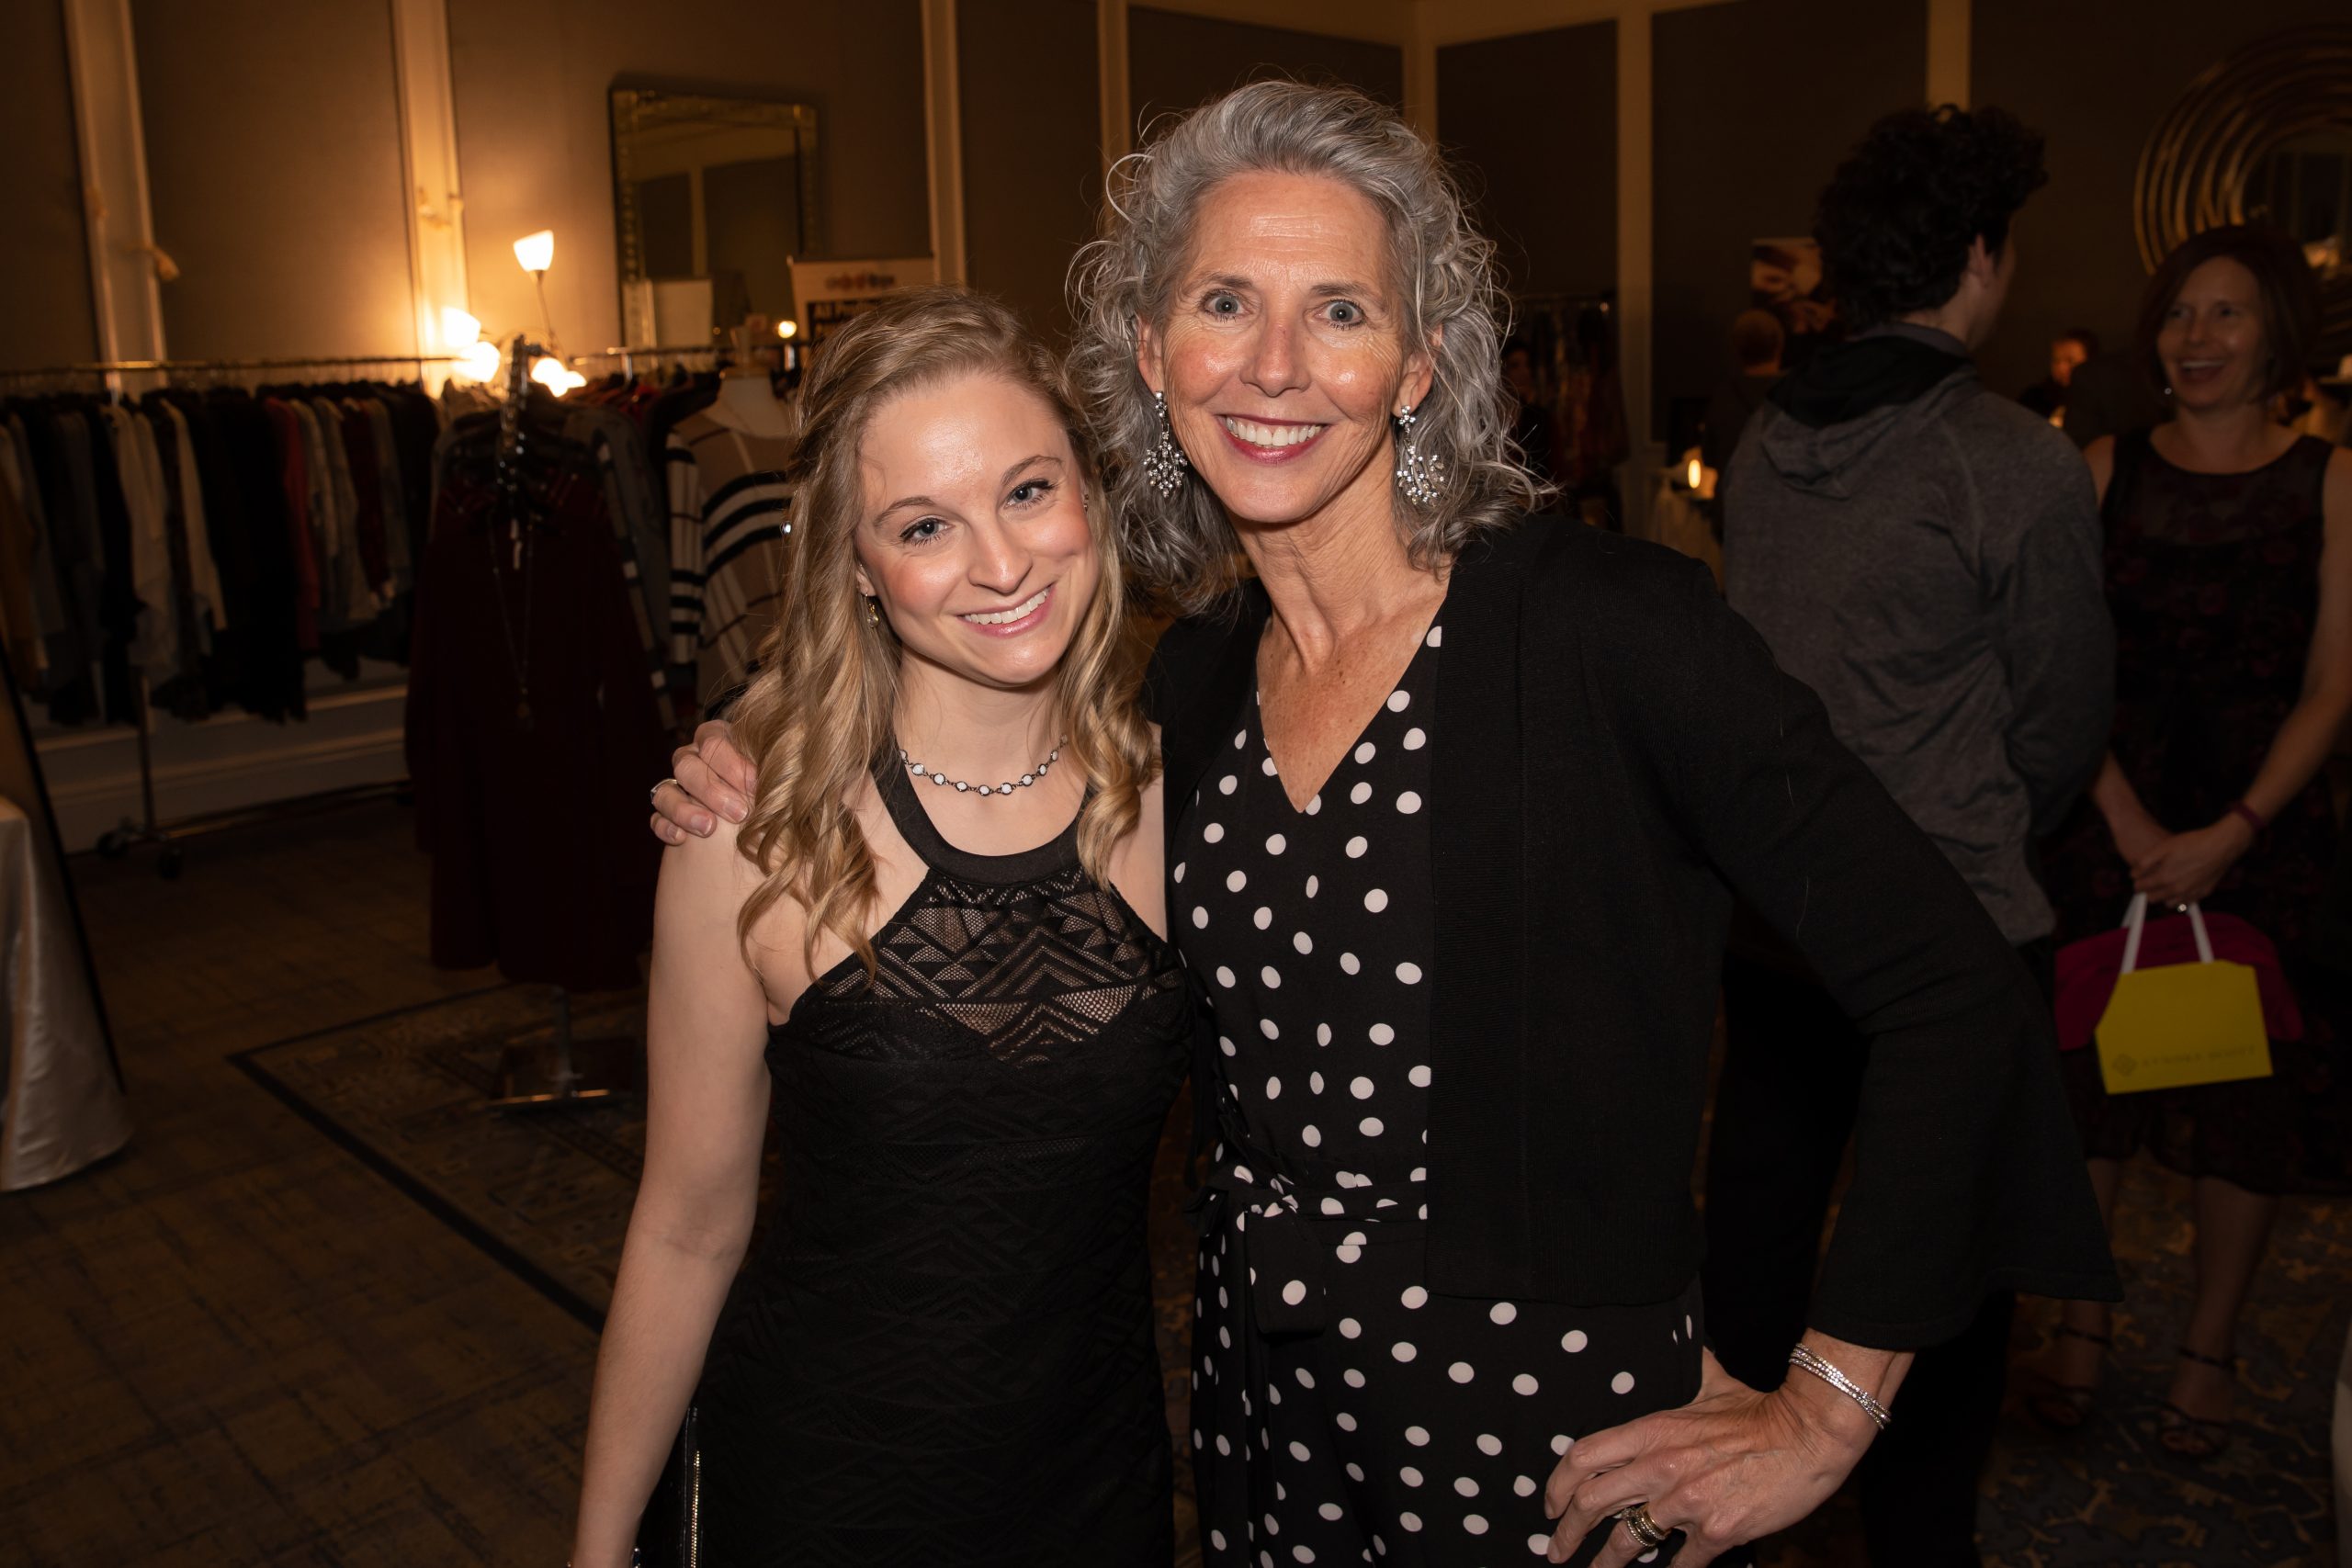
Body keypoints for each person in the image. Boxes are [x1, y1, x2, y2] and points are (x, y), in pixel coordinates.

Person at [656, 81, 2119, 1567]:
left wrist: (1829, 1402)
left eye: (1341, 311)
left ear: (1418, 365)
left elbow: (1954, 989)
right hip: (1265, 1432)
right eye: (1226, 302)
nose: (1275, 365)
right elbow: (965, 760)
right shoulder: (1190, 684)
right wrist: (759, 749)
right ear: (1154, 352)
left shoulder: (1612, 634)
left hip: (1553, 1451)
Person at [574, 287, 1190, 1566]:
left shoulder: (1185, 799)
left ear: (1088, 491)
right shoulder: (752, 836)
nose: (1002, 564)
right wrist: (597, 1546)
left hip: (1094, 1479)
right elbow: (686, 1228)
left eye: (1028, 491)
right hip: (821, 1485)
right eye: (924, 525)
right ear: (855, 564)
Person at [1708, 105, 2113, 1568]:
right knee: (1937, 1271)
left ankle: (1716, 1509)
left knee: (1756, 1239)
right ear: (1982, 258)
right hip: (1948, 938)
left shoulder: (1764, 442)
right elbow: (2063, 721)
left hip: (1778, 914)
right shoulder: (2011, 460)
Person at [2034, 223, 2352, 1460]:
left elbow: (2334, 684)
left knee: (2245, 1104)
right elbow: (2058, 663)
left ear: (2276, 332)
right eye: (2178, 313)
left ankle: (2208, 1348)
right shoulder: (2102, 467)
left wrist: (2235, 831)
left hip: (2262, 829)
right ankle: (2080, 1322)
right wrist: (2124, 818)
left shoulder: (2333, 480)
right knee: (2088, 1089)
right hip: (2108, 816)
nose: (2196, 336)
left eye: (2225, 312)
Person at [1699, 309, 1784, 479]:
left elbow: (1710, 458)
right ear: (1779, 346)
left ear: (1736, 349)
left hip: (1734, 492)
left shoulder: (1724, 398)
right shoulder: (1798, 395)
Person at [2019, 327, 2098, 423]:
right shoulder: (2035, 398)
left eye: (2070, 361)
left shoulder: (2099, 404)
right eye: (2056, 361)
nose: (2061, 368)